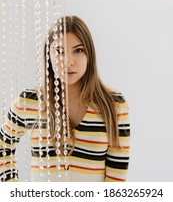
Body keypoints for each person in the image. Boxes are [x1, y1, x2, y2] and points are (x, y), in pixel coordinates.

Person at [0, 15, 130, 182]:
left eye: (78, 50)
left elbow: (117, 173)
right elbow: (3, 146)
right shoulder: (31, 100)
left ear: (89, 54)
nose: (68, 62)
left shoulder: (113, 104)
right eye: (59, 51)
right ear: (48, 55)